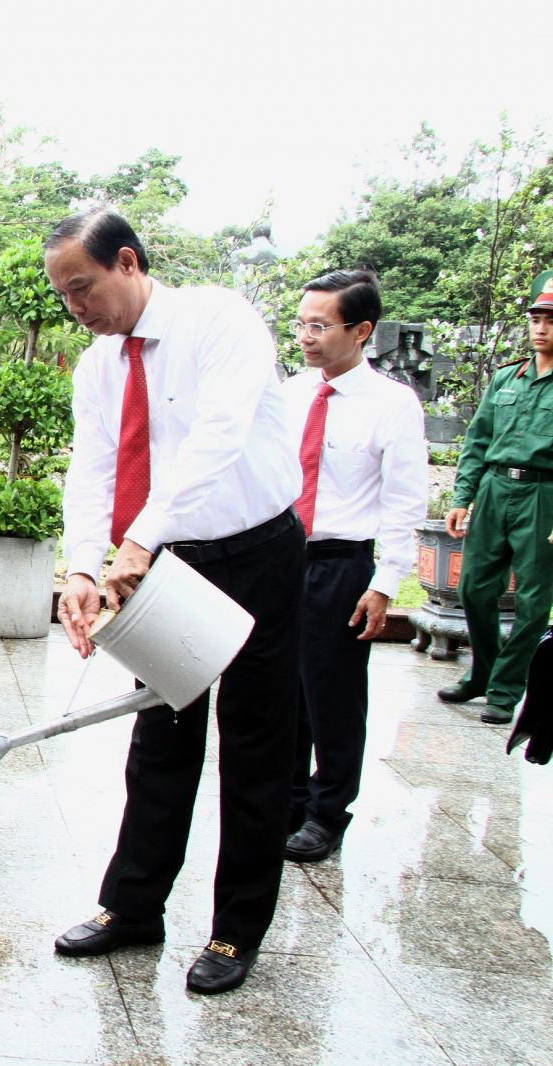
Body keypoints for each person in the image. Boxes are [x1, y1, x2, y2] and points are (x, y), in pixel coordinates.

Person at [48, 208, 303, 995]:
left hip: (255, 550)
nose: (77, 309)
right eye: (63, 297)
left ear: (127, 262)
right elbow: (93, 466)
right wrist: (84, 567)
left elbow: (217, 438)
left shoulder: (218, 320)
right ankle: (133, 907)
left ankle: (236, 931)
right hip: (166, 561)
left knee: (258, 742)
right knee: (161, 730)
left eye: (83, 288)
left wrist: (138, 541)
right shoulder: (99, 364)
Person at [282, 270, 426, 863]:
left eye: (320, 325)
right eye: (301, 324)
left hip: (342, 562)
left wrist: (384, 582)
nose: (307, 337)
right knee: (280, 689)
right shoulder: (290, 393)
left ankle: (327, 810)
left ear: (362, 330)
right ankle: (285, 800)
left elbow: (403, 500)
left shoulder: (392, 404)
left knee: (333, 692)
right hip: (283, 554)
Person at [439, 268, 553, 724]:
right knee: (474, 589)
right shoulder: (508, 379)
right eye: (536, 319)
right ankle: (483, 673)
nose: (541, 328)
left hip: (544, 496)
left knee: (532, 600)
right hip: (494, 489)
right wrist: (462, 496)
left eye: (550, 320)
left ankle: (506, 690)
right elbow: (478, 440)